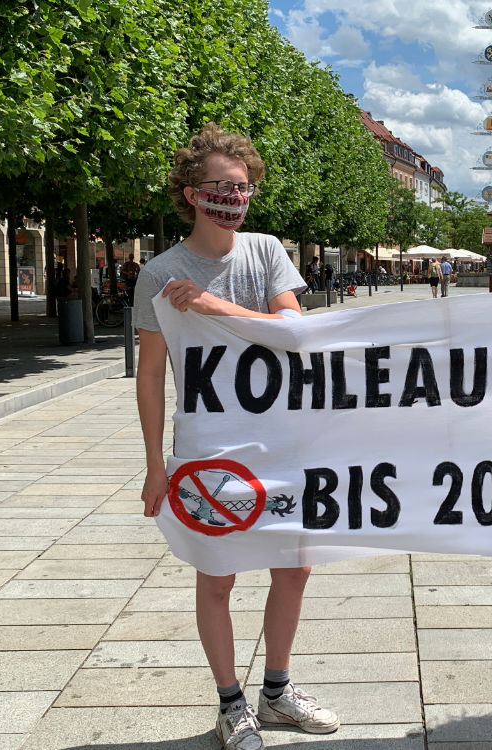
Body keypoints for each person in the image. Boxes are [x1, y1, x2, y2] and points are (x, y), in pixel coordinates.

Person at [133, 123, 338, 750]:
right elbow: (150, 377)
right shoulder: (160, 274)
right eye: (222, 187)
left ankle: (276, 691)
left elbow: (293, 330)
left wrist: (218, 308)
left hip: (282, 440)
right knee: (216, 575)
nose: (235, 197)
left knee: (293, 569)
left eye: (243, 186)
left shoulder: (266, 249)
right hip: (209, 445)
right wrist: (154, 465)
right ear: (192, 193)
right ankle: (232, 703)